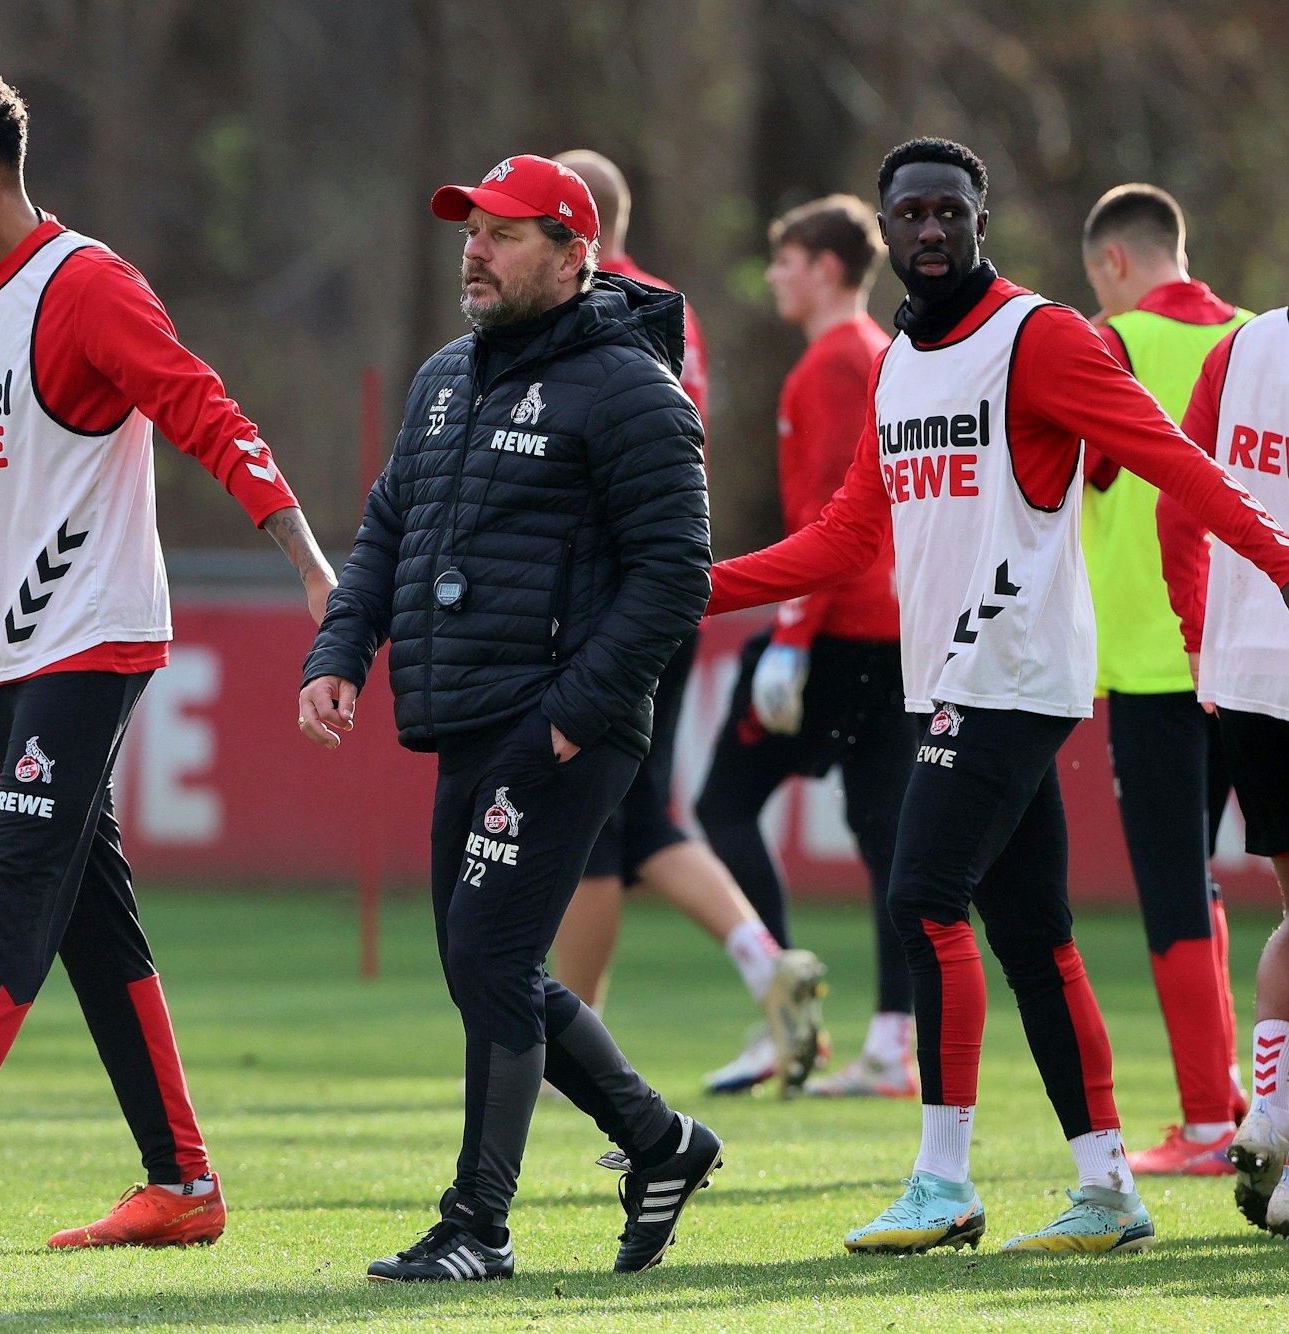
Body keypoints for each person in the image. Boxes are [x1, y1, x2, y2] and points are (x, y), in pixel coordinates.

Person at [704, 136, 1289, 1256]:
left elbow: (1174, 460)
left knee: (922, 896)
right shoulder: (899, 363)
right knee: (1033, 934)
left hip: (1015, 672)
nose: (929, 230)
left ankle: (943, 1176)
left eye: (949, 212)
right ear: (883, 234)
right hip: (955, 679)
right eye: (909, 214)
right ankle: (1107, 1186)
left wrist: (1279, 557)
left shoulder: (1041, 336)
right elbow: (848, 534)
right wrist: (703, 589)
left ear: (983, 221)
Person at [0, 69, 337, 1253]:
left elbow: (205, 410)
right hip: (9, 649)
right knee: (94, 918)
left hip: (94, 635)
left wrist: (303, 557)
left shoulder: (87, 287)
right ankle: (182, 1183)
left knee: (15, 886)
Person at [299, 154, 720, 1281]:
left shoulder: (633, 386)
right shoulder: (445, 376)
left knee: (488, 955)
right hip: (467, 712)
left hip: (561, 726)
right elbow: (389, 526)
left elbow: (676, 574)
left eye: (503, 233)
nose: (474, 251)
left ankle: (478, 1223)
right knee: (481, 963)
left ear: (577, 253)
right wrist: (342, 647)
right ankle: (661, 1141)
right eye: (469, 231)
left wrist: (574, 718)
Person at [546, 150, 827, 1100]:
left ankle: (568, 1042)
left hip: (609, 590)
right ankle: (763, 963)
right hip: (669, 579)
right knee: (645, 814)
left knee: (591, 814)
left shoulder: (595, 306)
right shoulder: (671, 305)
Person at [694, 195, 917, 1100]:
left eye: (785, 259)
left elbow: (832, 516)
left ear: (824, 267)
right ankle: (892, 1045)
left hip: (835, 630)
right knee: (886, 836)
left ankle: (784, 1001)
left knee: (719, 803)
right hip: (892, 630)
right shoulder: (881, 354)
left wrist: (788, 636)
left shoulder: (832, 363)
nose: (774, 275)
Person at [1079, 182, 1252, 1175]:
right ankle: (1237, 1088)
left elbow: (1081, 478)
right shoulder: (1248, 344)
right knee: (1241, 882)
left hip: (1155, 660)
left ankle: (1205, 1121)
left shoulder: (1114, 346)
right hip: (1249, 654)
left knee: (1177, 885)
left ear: (1111, 262)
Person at [1155, 315, 1289, 1235]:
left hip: (1247, 670)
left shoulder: (1240, 349)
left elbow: (1178, 503)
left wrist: (1201, 637)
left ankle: (1273, 1110)